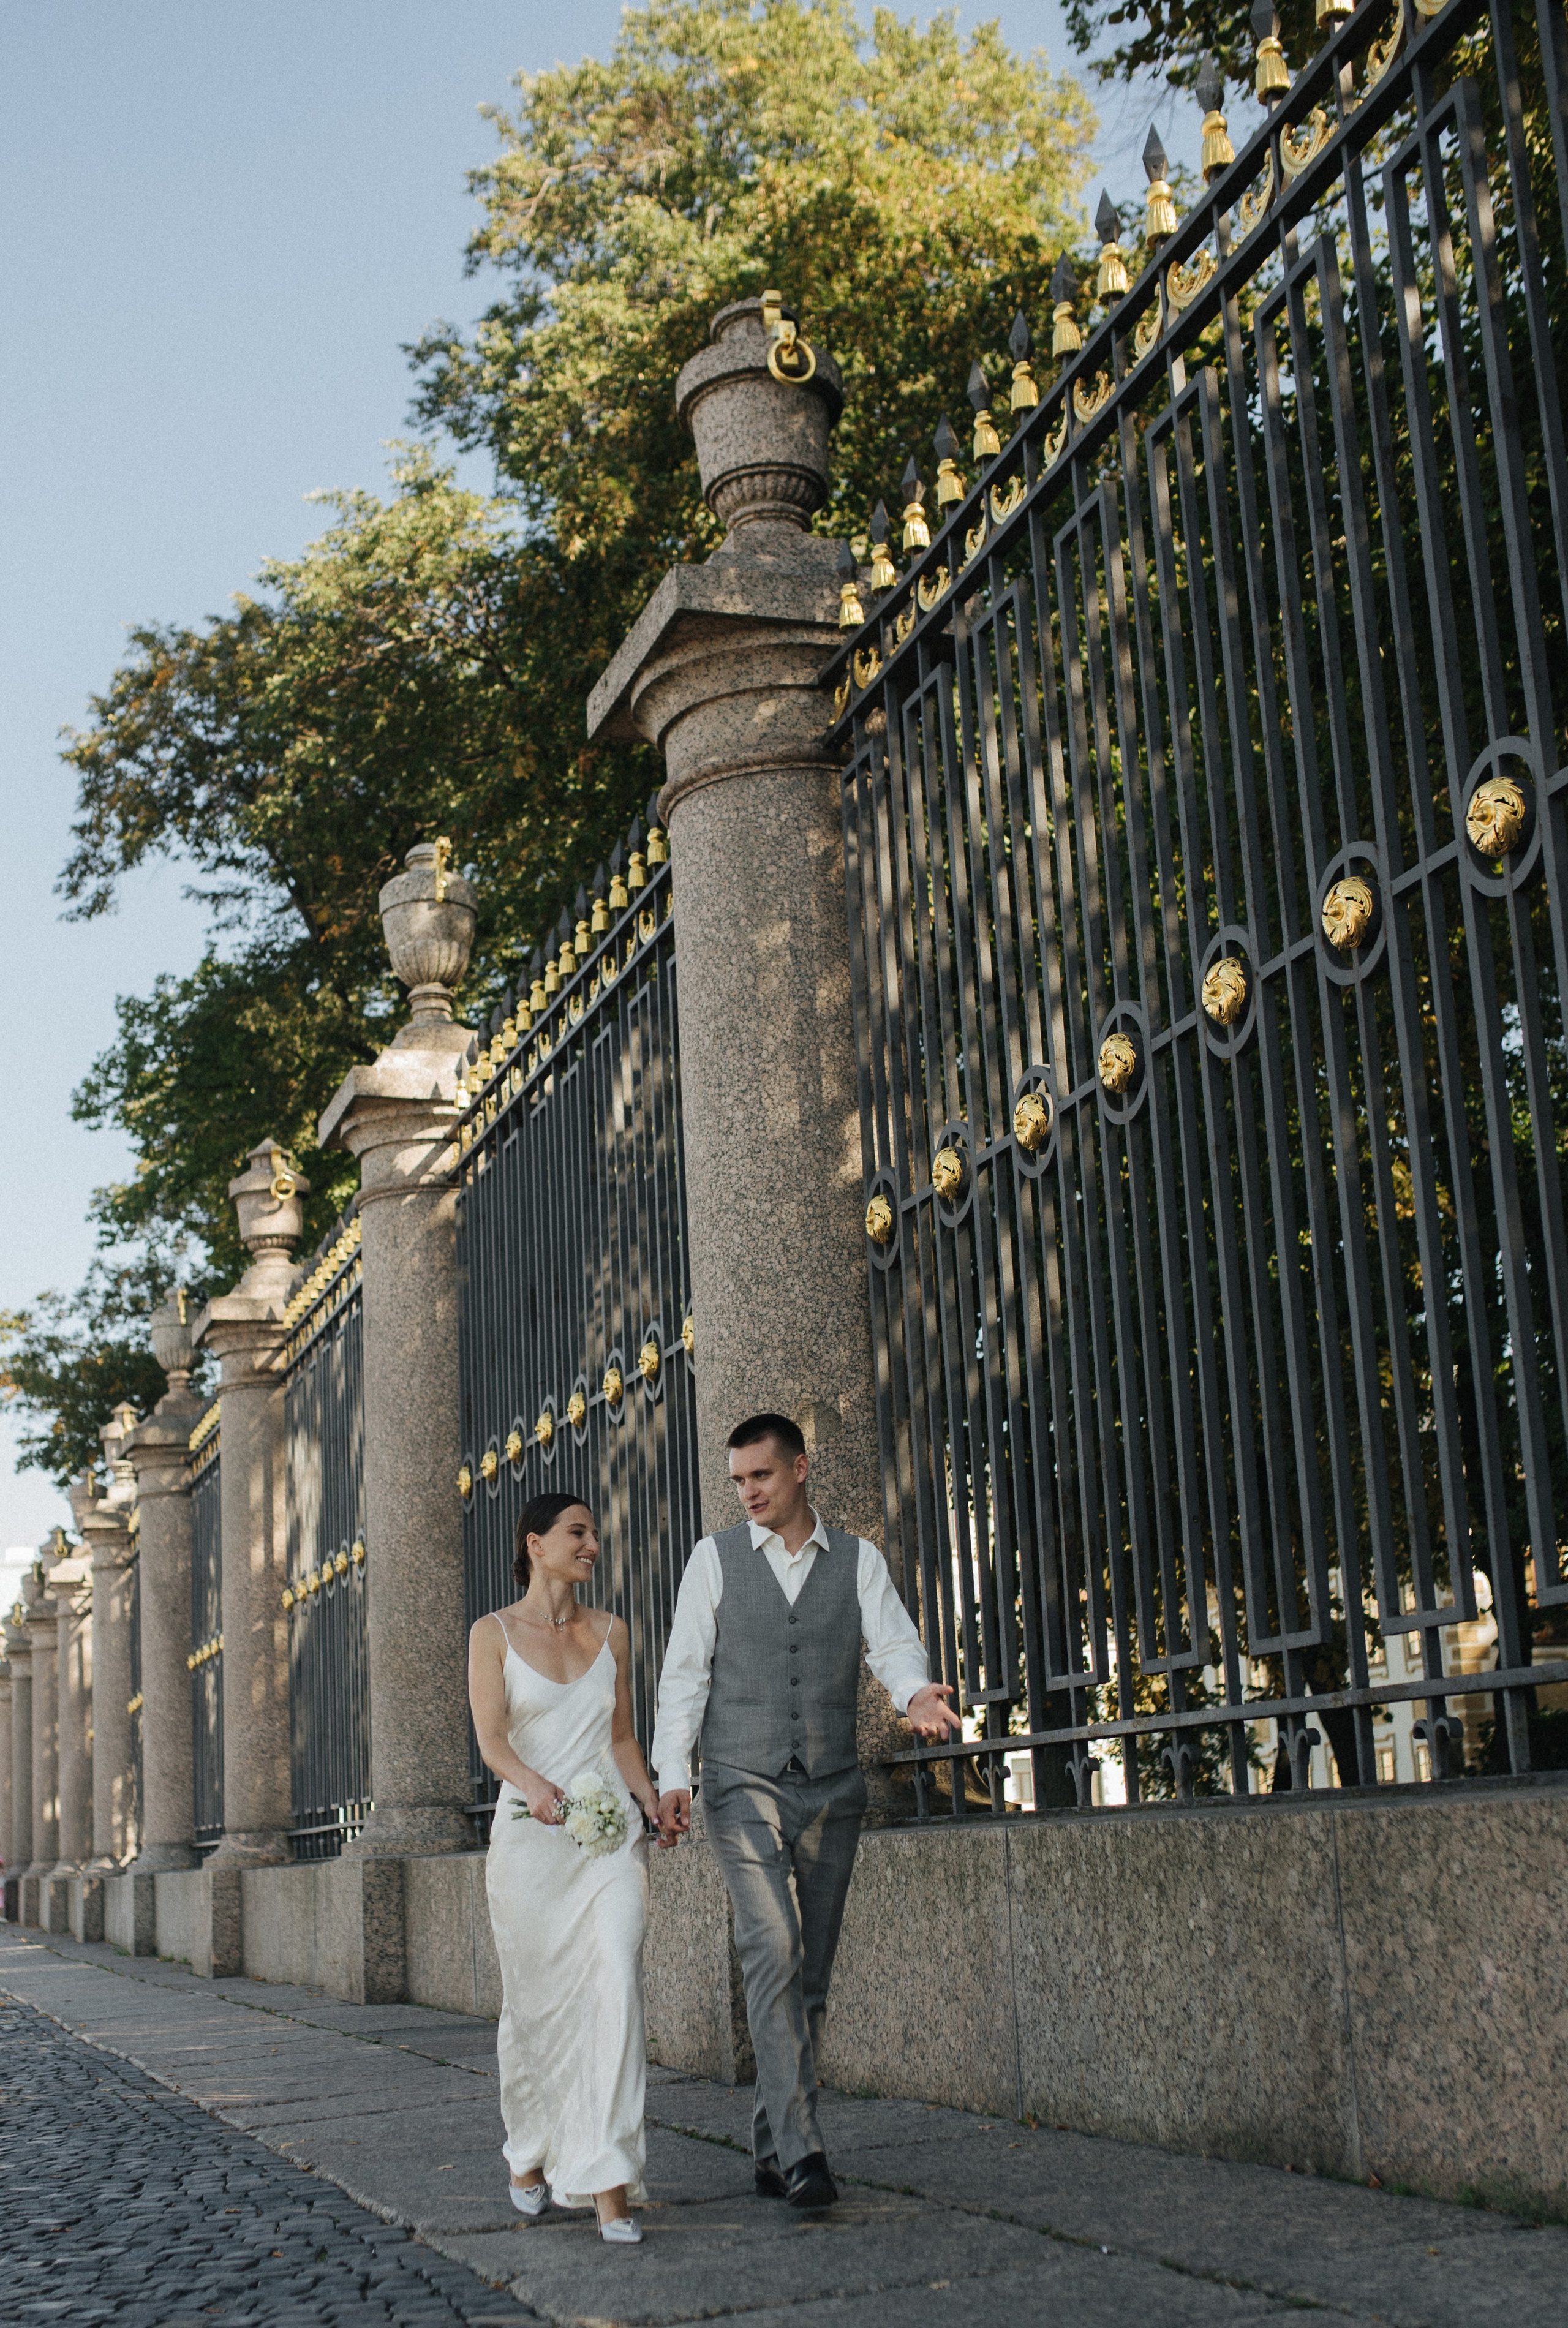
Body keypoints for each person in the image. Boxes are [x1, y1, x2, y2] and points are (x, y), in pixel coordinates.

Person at [652, 1413, 962, 2210]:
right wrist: (673, 1774)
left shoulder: (857, 1560)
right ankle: (803, 2153)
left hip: (830, 1785)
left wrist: (915, 1694)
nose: (748, 1492)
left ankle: (770, 2147)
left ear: (799, 1468)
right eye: (738, 1480)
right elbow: (685, 1673)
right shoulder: (713, 1559)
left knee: (811, 1973)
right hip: (739, 1781)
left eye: (760, 1475)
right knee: (772, 1947)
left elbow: (892, 1645)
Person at [468, 1491, 663, 2245]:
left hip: (609, 1843)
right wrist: (535, 1786)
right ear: (535, 1544)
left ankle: (607, 2182)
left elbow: (621, 1738)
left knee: (615, 1983)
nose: (591, 1545)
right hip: (531, 1846)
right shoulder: (491, 1634)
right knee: (536, 2008)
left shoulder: (613, 1632)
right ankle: (529, 2150)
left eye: (593, 1534)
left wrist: (651, 1800)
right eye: (577, 1533)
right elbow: (492, 1740)